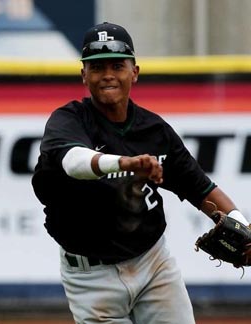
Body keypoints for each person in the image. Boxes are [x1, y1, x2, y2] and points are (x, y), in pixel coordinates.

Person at [31, 22, 248, 324]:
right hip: (91, 278)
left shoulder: (155, 130)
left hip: (153, 264)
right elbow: (73, 162)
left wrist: (244, 227)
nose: (107, 74)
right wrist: (122, 163)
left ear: (134, 72)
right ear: (84, 75)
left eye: (117, 65)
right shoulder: (68, 120)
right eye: (97, 67)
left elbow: (201, 189)